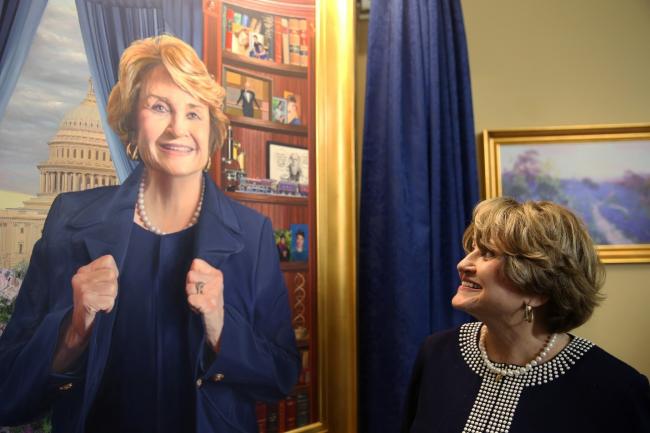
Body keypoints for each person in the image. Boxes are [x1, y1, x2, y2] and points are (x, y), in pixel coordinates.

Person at [0, 35, 300, 433]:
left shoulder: (253, 233)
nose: (178, 127)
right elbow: (7, 393)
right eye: (159, 107)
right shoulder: (69, 221)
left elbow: (281, 377)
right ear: (130, 123)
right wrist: (73, 332)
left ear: (211, 131)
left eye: (194, 112)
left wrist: (221, 327)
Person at [402, 197, 650, 433]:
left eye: (488, 253)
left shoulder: (617, 388)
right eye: (472, 250)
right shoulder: (437, 353)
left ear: (537, 287)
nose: (463, 264)